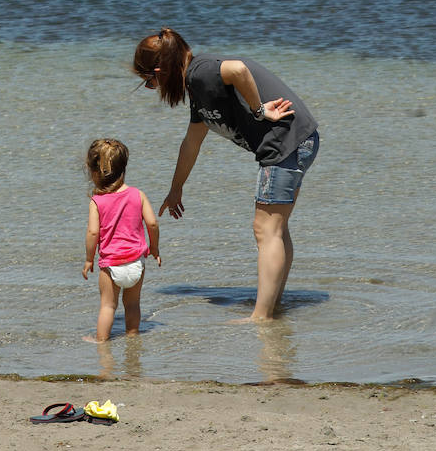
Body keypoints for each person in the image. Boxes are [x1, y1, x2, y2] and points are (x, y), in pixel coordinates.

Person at [132, 28, 319, 322]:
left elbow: (238, 68)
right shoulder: (198, 90)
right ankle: (271, 307)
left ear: (161, 70)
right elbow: (191, 143)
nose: (151, 88)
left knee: (265, 229)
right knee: (276, 229)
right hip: (295, 141)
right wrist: (175, 189)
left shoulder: (201, 72)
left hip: (286, 143)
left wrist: (259, 111)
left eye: (149, 82)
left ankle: (261, 317)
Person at [82, 138, 161, 342]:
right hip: (136, 262)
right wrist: (154, 249)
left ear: (93, 172)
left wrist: (89, 259)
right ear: (123, 168)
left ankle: (101, 342)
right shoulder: (138, 194)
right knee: (133, 304)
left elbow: (92, 233)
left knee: (108, 306)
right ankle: (133, 338)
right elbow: (152, 224)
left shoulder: (97, 202)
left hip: (110, 265)